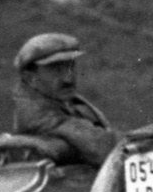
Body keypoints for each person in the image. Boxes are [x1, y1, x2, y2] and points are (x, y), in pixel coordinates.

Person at [11, 32, 119, 166]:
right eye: (56, 70)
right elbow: (103, 147)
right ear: (30, 78)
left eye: (70, 67)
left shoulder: (63, 101)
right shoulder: (37, 116)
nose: (68, 78)